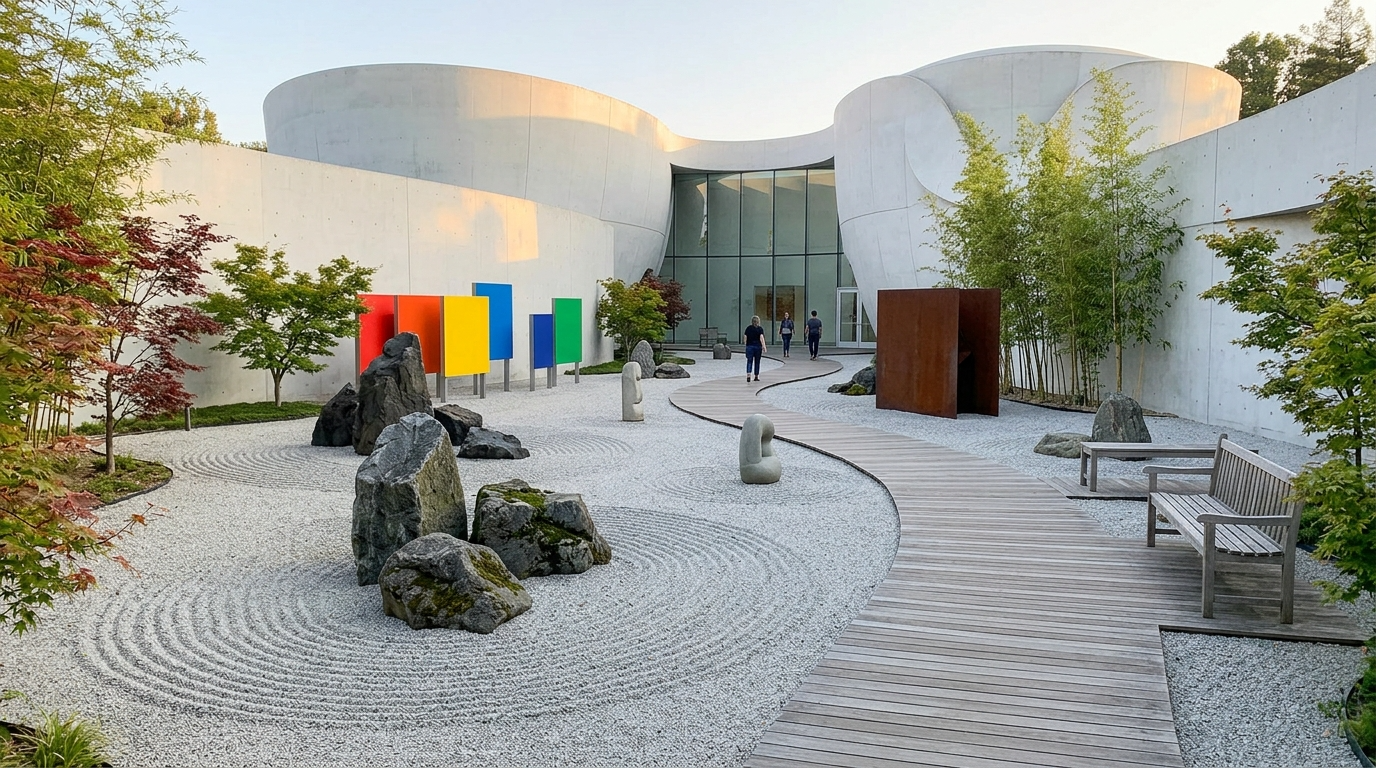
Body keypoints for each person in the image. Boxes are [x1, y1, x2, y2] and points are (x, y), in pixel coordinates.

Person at [743, 315, 766, 382]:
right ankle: (756, 376)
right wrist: (764, 346)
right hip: (758, 347)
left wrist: (745, 343)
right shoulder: (760, 329)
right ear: (758, 321)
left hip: (749, 346)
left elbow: (745, 337)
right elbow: (761, 338)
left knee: (749, 361)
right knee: (757, 362)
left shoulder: (748, 328)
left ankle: (748, 375)